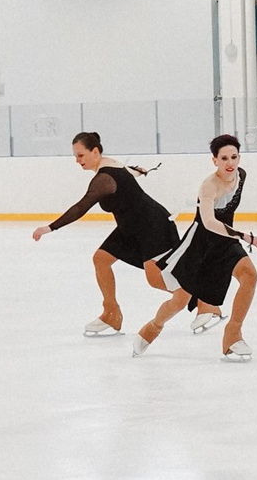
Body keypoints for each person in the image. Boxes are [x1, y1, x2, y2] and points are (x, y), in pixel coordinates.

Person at [29, 131, 189, 338]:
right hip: (129, 227)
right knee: (101, 259)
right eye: (75, 156)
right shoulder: (110, 164)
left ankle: (202, 299)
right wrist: (139, 171)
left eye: (80, 155)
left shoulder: (103, 179)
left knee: (156, 279)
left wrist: (49, 228)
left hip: (151, 225)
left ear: (95, 151)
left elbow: (81, 207)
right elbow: (127, 172)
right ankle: (111, 312)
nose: (77, 161)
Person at [133, 135, 257, 361]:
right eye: (223, 158)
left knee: (250, 276)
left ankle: (232, 335)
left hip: (224, 241)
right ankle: (153, 327)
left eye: (234, 157)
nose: (230, 163)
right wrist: (245, 236)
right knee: (181, 298)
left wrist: (236, 237)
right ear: (214, 160)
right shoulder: (209, 186)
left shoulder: (241, 176)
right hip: (201, 245)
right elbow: (209, 222)